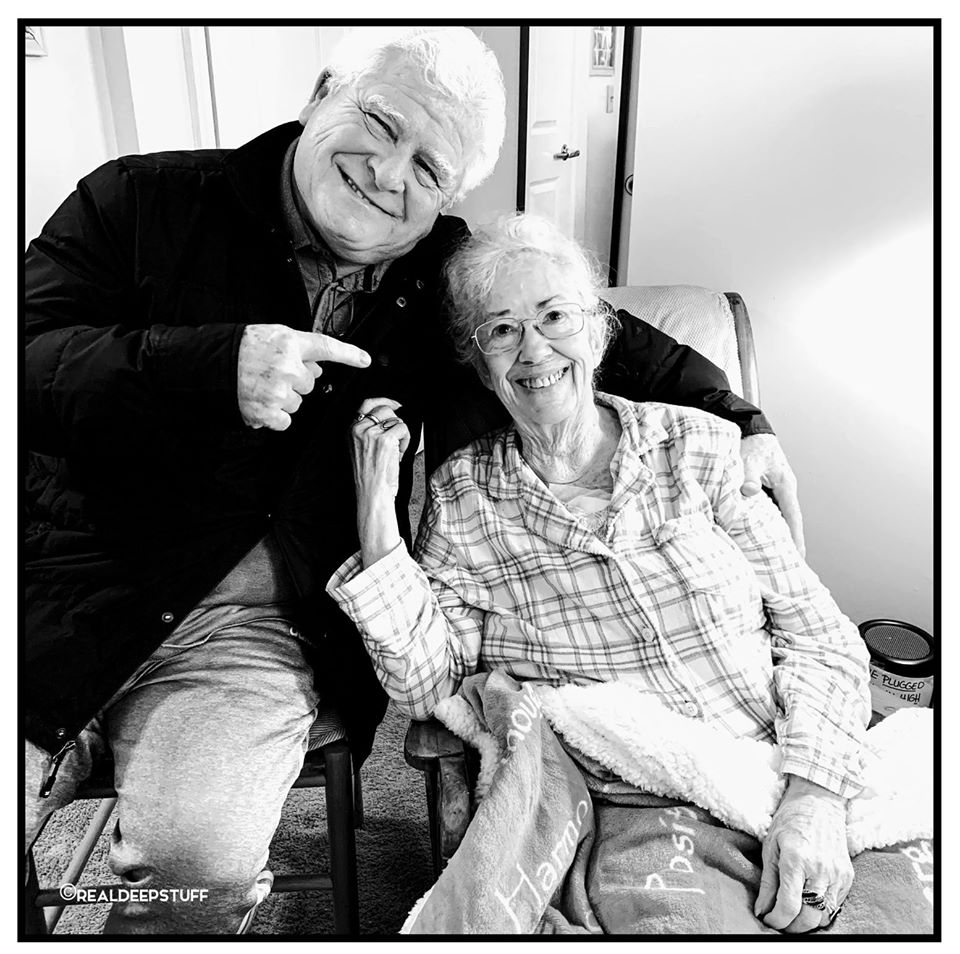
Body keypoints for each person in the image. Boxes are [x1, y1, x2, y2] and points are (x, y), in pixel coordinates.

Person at [24, 27, 797, 934]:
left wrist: (742, 418)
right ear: (322, 93)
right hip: (61, 586)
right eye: (382, 125)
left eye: (429, 168)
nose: (389, 175)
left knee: (195, 875)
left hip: (251, 639)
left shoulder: (440, 276)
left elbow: (593, 337)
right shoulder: (139, 199)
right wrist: (208, 365)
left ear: (448, 197)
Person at [330, 213, 872, 934]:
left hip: (789, 765)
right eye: (502, 330)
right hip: (630, 805)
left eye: (555, 316)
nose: (534, 349)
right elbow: (427, 681)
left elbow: (820, 638)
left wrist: (813, 799)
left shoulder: (701, 448)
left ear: (597, 331)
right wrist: (377, 517)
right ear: (479, 363)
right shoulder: (465, 500)